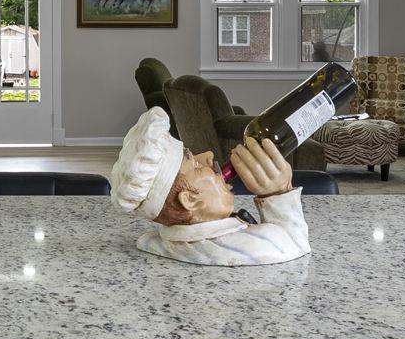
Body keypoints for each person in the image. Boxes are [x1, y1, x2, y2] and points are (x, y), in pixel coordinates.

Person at [110, 107, 312, 265]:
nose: (208, 155)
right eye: (196, 166)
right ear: (189, 200)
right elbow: (297, 245)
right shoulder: (250, 248)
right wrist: (279, 192)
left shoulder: (157, 241)